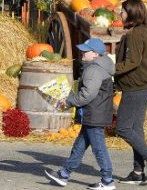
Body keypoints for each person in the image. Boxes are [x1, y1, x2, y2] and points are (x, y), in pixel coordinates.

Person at [44, 38, 116, 190]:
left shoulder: (94, 70)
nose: (82, 52)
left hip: (94, 114)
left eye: (86, 50)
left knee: (99, 149)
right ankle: (64, 174)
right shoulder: (100, 66)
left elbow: (87, 95)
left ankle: (108, 180)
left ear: (95, 54)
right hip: (95, 112)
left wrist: (69, 101)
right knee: (80, 145)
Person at [113, 0, 147, 185]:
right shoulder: (145, 32)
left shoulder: (135, 34)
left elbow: (133, 61)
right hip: (145, 87)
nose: (120, 13)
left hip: (136, 89)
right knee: (136, 129)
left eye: (123, 11)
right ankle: (137, 171)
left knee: (123, 128)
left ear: (132, 13)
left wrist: (112, 69)